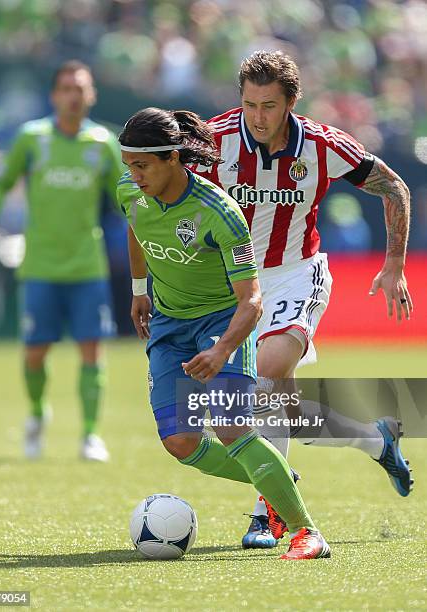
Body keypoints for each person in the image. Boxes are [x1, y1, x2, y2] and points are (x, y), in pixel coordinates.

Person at [191, 50, 413, 548]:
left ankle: (266, 513)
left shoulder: (321, 144)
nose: (258, 117)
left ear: (292, 101)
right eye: (249, 104)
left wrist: (394, 263)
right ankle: (376, 439)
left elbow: (393, 187)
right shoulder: (215, 142)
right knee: (279, 406)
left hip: (297, 273)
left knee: (268, 372)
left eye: (269, 106)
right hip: (235, 283)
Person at [117, 106, 331, 560]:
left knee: (233, 427)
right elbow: (136, 229)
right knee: (180, 442)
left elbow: (252, 301)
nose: (133, 175)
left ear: (173, 158)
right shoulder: (130, 192)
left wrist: (222, 349)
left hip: (221, 322)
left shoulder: (219, 211)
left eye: (142, 165)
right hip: (170, 326)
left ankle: (306, 532)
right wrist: (140, 290)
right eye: (128, 164)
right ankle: (274, 478)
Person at [0, 60, 124, 461]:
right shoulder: (31, 138)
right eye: (67, 88)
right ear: (55, 95)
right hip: (40, 264)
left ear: (91, 96)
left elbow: (126, 198)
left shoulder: (103, 143)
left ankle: (90, 434)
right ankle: (38, 414)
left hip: (88, 264)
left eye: (81, 88)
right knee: (36, 351)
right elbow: (2, 181)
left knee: (92, 348)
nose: (74, 95)